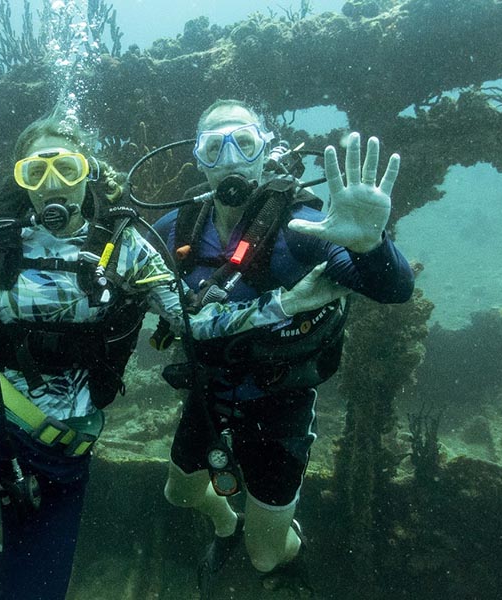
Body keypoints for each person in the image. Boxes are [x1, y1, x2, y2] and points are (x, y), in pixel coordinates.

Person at [0, 110, 344, 600]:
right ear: (21, 180)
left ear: (88, 171)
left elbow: (195, 325)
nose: (52, 185)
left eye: (67, 169)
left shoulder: (128, 248)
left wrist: (287, 302)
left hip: (60, 455)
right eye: (35, 172)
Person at [154, 99, 415, 595]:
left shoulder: (301, 229)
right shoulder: (177, 228)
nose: (230, 159)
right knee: (179, 494)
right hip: (211, 390)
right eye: (214, 147)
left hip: (282, 401)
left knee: (265, 557)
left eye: (244, 143)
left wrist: (369, 245)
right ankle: (227, 523)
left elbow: (395, 288)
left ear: (264, 150)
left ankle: (281, 544)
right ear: (198, 159)